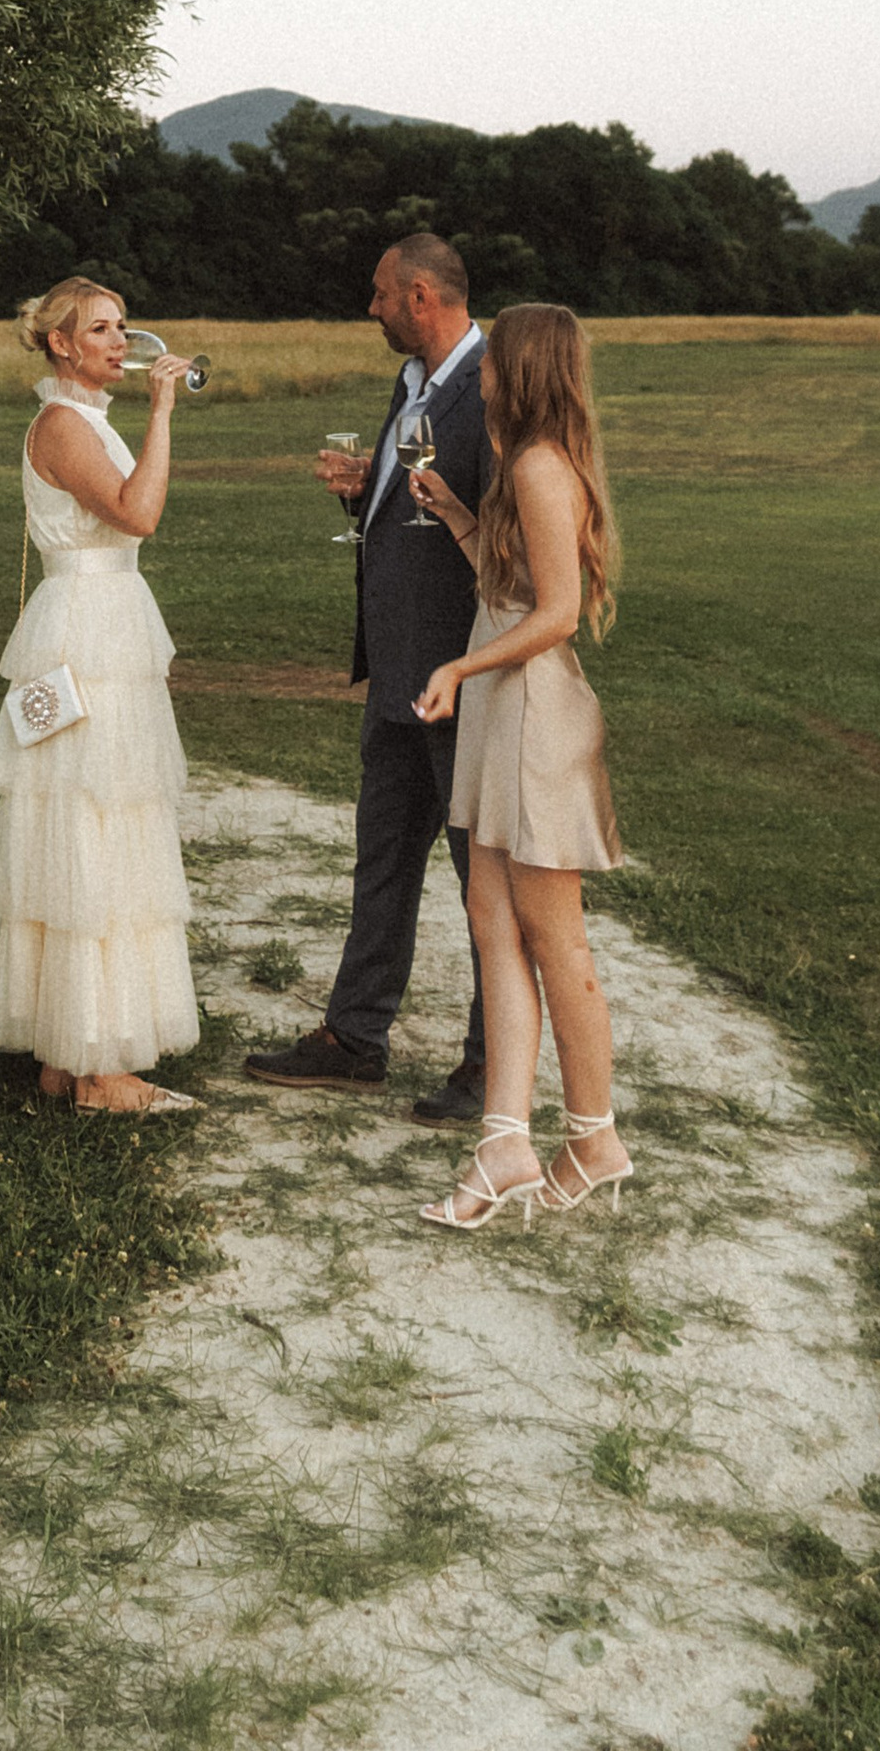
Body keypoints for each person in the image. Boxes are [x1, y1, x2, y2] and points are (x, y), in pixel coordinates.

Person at [243, 231, 491, 1120]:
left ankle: (489, 1066)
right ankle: (355, 1039)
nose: (374, 309)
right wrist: (370, 486)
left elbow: (503, 539)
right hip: (397, 675)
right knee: (382, 862)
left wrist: (469, 668)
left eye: (383, 295)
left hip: (461, 682)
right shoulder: (415, 382)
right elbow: (423, 503)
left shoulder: (493, 386)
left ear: (421, 297)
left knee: (483, 883)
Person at [406, 298, 629, 1229]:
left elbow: (558, 617)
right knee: (492, 919)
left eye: (496, 357)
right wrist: (459, 513)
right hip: (508, 704)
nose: (483, 369)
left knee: (553, 937)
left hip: (533, 711)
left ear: (523, 369)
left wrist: (458, 666)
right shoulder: (518, 467)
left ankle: (595, 1137)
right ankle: (506, 1142)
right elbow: (512, 590)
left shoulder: (541, 468)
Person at [0, 276, 201, 1115]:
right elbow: (139, 514)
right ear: (62, 344)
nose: (120, 340)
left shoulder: (81, 420)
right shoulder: (66, 425)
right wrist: (165, 413)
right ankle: (99, 1070)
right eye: (100, 329)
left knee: (92, 821)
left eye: (123, 326)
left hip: (99, 617)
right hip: (90, 629)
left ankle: (69, 1055)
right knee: (92, 825)